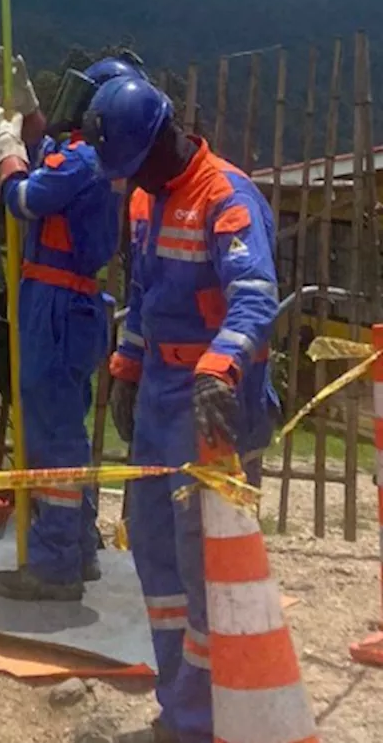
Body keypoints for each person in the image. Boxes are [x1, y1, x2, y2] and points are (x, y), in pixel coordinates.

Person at [89, 77, 280, 743]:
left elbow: (255, 296)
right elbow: (140, 295)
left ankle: (208, 721)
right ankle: (181, 709)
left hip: (216, 403)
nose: (129, 180)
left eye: (132, 165)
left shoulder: (228, 198)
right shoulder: (146, 199)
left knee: (206, 567)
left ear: (161, 141)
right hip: (163, 395)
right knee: (156, 551)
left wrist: (221, 366)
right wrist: (126, 367)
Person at [0, 51, 147, 601]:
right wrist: (28, 114)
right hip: (73, 303)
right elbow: (47, 153)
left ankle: (54, 564)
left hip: (54, 304)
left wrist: (5, 151)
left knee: (52, 437)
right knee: (67, 432)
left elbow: (26, 197)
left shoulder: (85, 161)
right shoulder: (95, 159)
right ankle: (77, 544)